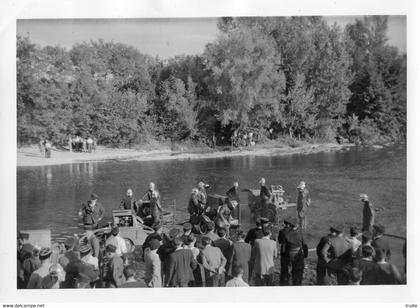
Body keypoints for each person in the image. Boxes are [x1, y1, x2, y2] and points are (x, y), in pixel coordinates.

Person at [282, 217, 308, 285]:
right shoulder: (300, 234)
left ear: (290, 225)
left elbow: (283, 248)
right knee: (298, 271)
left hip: (289, 255)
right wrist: (305, 254)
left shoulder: (286, 234)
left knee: (289, 271)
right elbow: (305, 245)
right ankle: (297, 283)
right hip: (298, 255)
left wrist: (284, 256)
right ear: (297, 226)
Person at [278, 218, 292, 285]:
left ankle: (283, 279)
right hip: (290, 250)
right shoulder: (292, 231)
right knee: (289, 264)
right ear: (289, 224)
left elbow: (280, 241)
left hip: (283, 250)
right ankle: (288, 278)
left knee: (283, 266)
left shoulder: (281, 231)